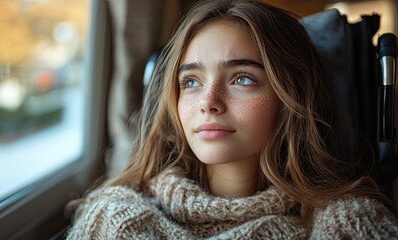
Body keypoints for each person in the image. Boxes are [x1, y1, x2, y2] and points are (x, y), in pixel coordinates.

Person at [66, 0, 398, 239]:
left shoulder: (348, 224)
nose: (208, 103)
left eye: (242, 79)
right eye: (191, 82)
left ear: (290, 98)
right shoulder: (112, 219)